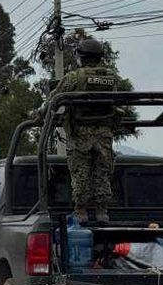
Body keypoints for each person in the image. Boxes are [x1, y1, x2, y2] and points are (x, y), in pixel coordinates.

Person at [51, 39, 124, 224]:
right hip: (104, 135)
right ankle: (102, 212)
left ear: (81, 57)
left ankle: (81, 212)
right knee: (102, 172)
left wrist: (39, 114)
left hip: (80, 134)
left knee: (80, 173)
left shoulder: (75, 77)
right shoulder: (112, 78)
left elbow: (55, 98)